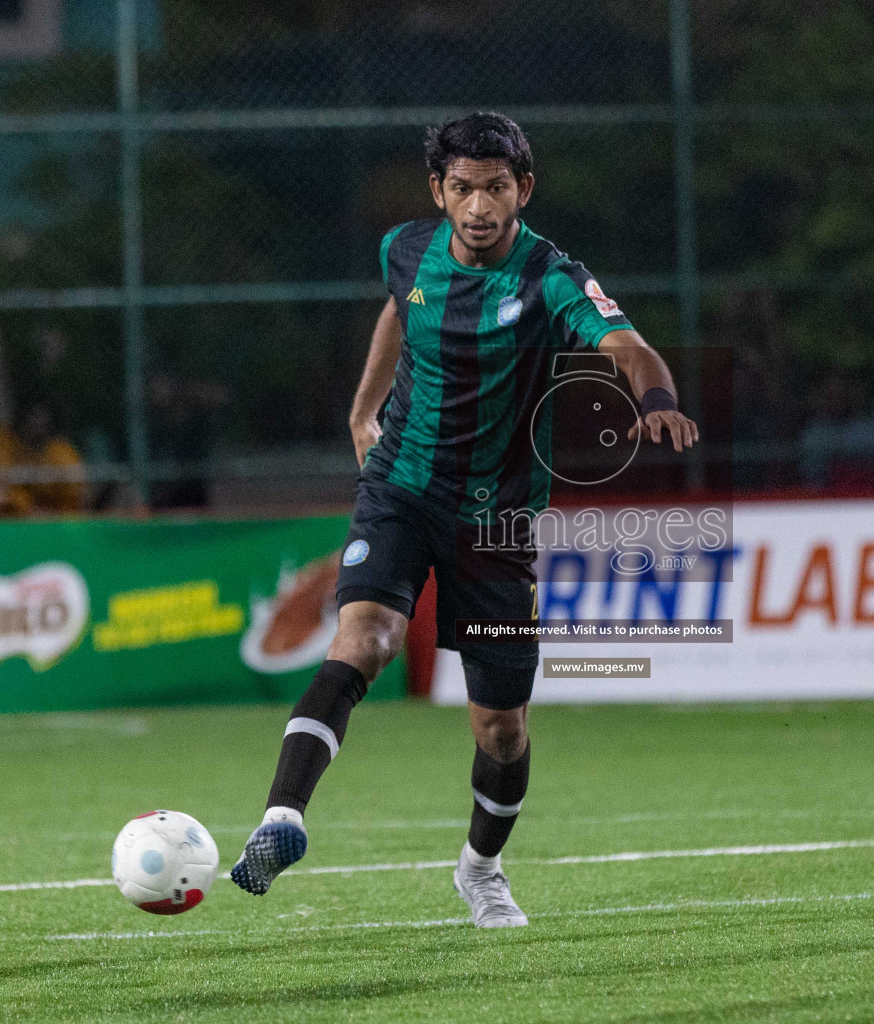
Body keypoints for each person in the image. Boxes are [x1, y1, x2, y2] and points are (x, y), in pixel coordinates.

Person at [230, 113, 698, 927]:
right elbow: (396, 310)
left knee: (503, 729)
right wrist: (363, 405)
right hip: (402, 487)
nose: (478, 205)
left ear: (524, 188)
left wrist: (655, 399)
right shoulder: (405, 250)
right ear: (438, 193)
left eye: (494, 187)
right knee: (364, 638)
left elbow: (627, 344)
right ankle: (282, 818)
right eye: (462, 188)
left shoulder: (550, 276)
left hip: (497, 519)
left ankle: (480, 869)